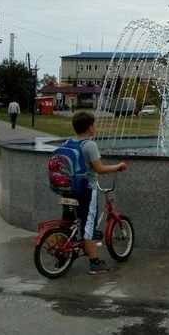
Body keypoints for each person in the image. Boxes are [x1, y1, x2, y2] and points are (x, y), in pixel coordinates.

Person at [65, 111, 128, 275]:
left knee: (68, 223)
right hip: (86, 189)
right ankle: (95, 263)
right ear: (89, 127)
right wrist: (118, 166)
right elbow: (99, 169)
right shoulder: (89, 145)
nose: (96, 127)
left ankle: (62, 255)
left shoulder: (68, 142)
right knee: (89, 224)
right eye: (94, 125)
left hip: (69, 189)